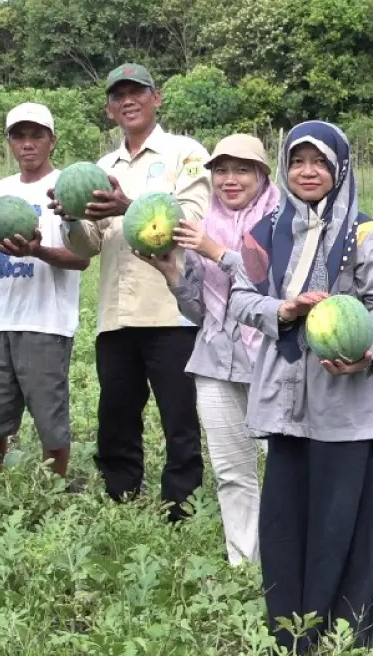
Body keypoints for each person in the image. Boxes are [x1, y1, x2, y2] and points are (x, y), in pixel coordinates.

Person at [228, 120, 373, 652]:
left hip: (347, 399)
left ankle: (349, 628)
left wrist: (366, 352)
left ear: (339, 169)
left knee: (342, 517)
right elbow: (238, 299)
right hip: (286, 398)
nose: (308, 171)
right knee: (288, 518)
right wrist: (280, 308)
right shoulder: (263, 233)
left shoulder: (369, 235)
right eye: (298, 161)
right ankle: (293, 630)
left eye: (320, 162)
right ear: (285, 168)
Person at [49, 62, 211, 521]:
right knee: (116, 416)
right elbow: (90, 245)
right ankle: (121, 498)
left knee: (178, 417)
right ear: (109, 109)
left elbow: (193, 219)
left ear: (156, 98)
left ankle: (182, 508)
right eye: (118, 95)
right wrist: (70, 218)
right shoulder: (101, 167)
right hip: (116, 315)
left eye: (136, 91)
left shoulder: (185, 153)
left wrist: (129, 205)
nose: (128, 100)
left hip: (170, 309)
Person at [133, 133, 278, 565]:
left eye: (242, 171)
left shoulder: (282, 224)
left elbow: (272, 291)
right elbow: (199, 311)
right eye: (221, 171)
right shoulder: (201, 229)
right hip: (216, 361)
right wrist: (173, 273)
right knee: (232, 473)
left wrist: (218, 252)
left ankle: (286, 559)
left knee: (287, 468)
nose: (230, 180)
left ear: (262, 175)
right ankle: (243, 562)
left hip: (271, 362)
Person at [0, 102, 90, 480]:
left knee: (50, 424)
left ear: (52, 140)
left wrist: (36, 250)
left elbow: (81, 258)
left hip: (47, 324)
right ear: (9, 143)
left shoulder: (68, 188)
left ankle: (54, 497)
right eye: (19, 136)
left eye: (37, 135)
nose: (28, 143)